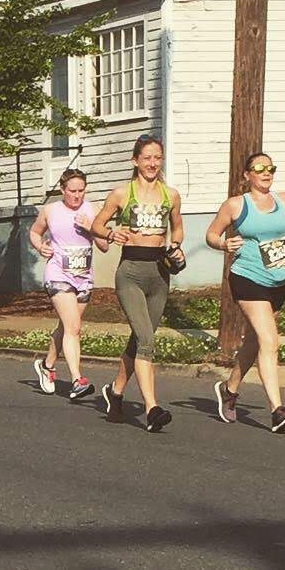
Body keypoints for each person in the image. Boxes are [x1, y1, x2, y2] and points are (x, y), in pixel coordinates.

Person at [206, 151, 285, 434]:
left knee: (254, 344)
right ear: (247, 175)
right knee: (270, 341)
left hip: (278, 280)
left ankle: (229, 390)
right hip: (247, 278)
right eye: (259, 168)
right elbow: (211, 234)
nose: (266, 173)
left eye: (270, 168)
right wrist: (223, 245)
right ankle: (277, 410)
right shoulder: (235, 205)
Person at [91, 135, 186, 433]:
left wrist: (177, 246)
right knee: (147, 340)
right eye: (146, 158)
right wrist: (110, 234)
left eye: (157, 157)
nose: (152, 163)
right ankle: (152, 408)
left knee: (139, 339)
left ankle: (115, 392)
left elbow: (178, 228)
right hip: (130, 272)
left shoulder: (170, 195)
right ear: (135, 160)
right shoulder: (121, 194)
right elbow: (97, 223)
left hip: (159, 274)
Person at [28, 168, 108, 401]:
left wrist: (91, 228)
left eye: (81, 191)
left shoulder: (92, 210)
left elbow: (104, 246)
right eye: (72, 191)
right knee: (73, 327)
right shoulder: (51, 210)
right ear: (63, 190)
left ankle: (47, 365)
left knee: (66, 327)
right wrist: (40, 246)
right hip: (58, 274)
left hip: (83, 276)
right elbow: (34, 232)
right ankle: (77, 380)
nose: (77, 196)